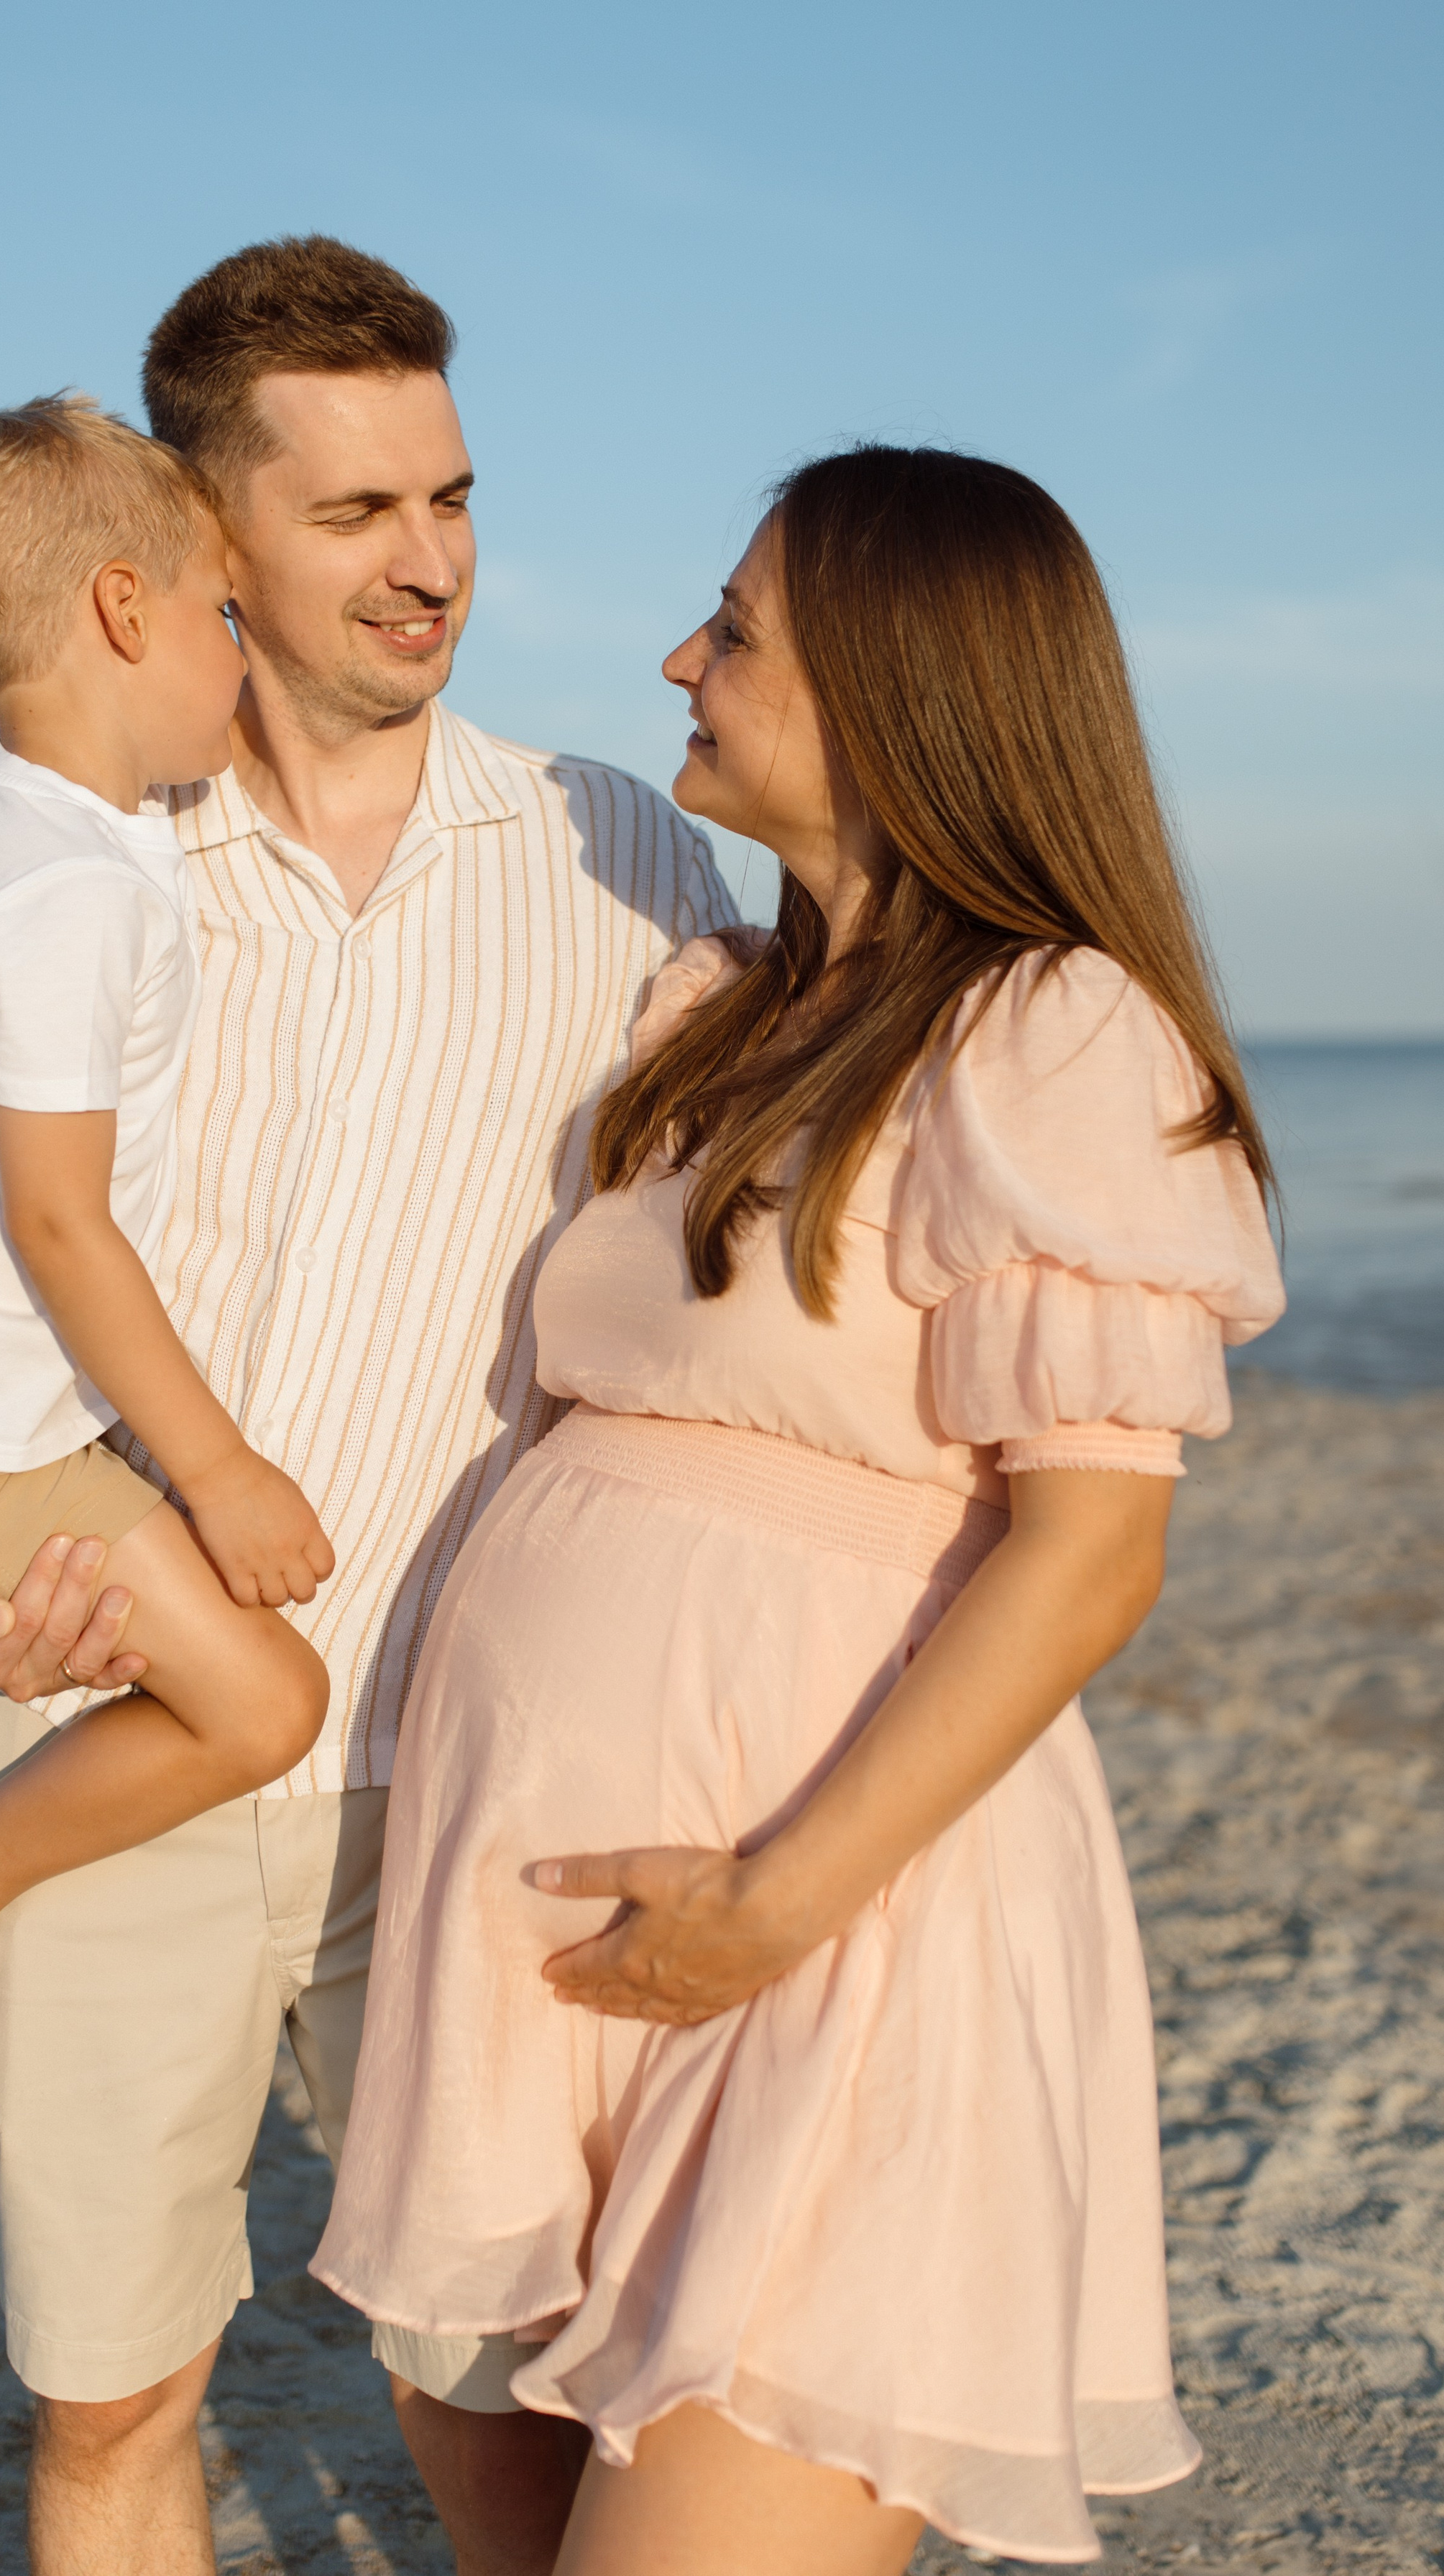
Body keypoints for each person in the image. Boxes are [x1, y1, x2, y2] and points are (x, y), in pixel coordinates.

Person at [313, 444, 1287, 2574]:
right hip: (549, 1931)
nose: (680, 658)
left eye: (736, 631)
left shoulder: (1050, 1033)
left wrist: (777, 1898)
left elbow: (1091, 1552)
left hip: (838, 1922)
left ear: (906, 688)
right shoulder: (718, 1014)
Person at [0, 237, 740, 2575]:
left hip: (468, 1767)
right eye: (358, 508)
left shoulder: (616, 847)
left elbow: (770, 1249)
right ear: (201, 526)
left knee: (499, 2408)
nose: (431, 556)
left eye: (450, 492)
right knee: (113, 2401)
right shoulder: (71, 861)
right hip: (107, 1738)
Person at [0, 395, 334, 2103]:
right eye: (222, 618)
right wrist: (220, 1467)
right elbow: (57, 1222)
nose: (242, 664)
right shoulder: (66, 896)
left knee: (65, 1465)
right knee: (266, 1703)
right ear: (118, 613)